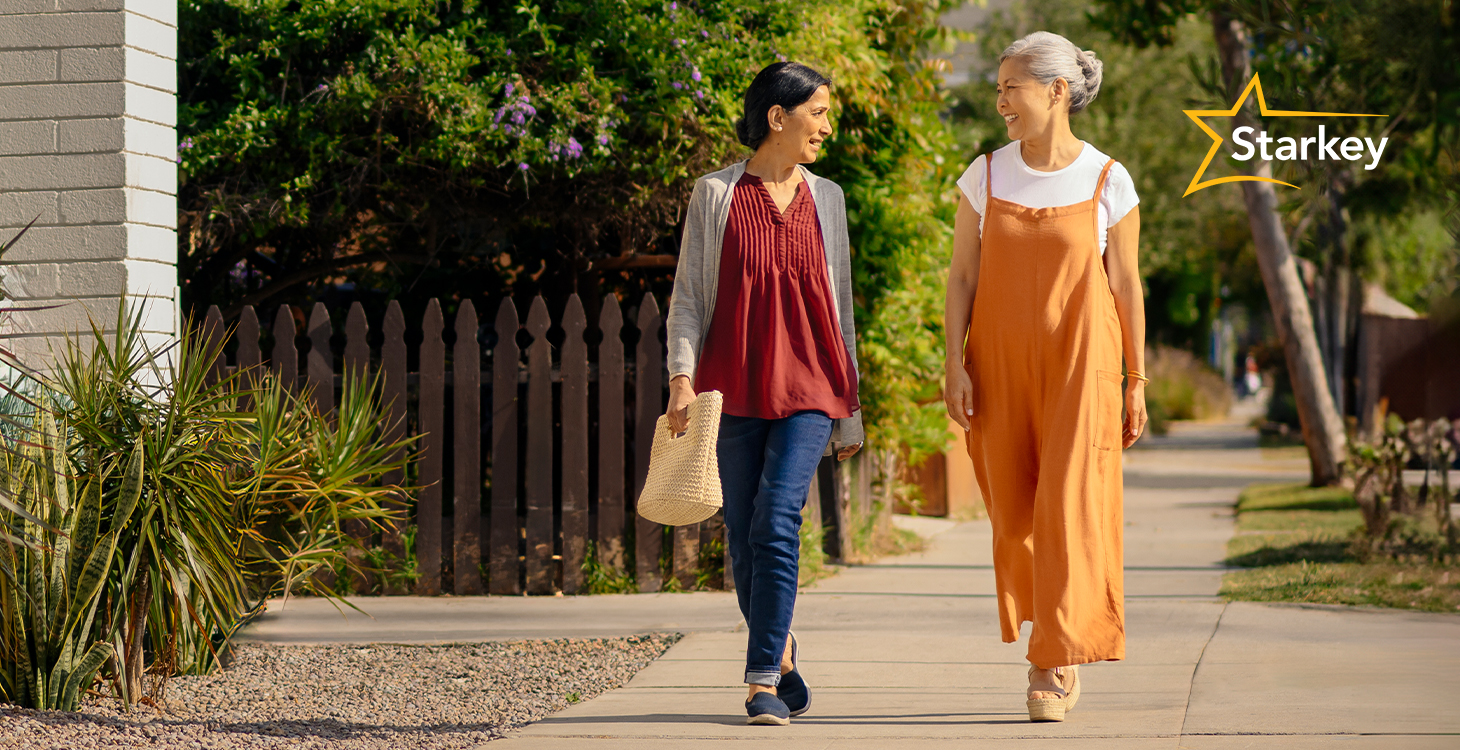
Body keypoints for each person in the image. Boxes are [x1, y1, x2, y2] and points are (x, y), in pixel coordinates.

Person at [942, 31, 1148, 723]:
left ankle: (1050, 661)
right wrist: (954, 363)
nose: (999, 101)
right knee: (1012, 517)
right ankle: (1047, 631)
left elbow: (1126, 283)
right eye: (998, 88)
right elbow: (962, 278)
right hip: (997, 366)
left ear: (1055, 92)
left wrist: (1137, 378)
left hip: (1082, 366)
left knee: (1067, 508)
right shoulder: (986, 175)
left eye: (1011, 88)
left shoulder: (1107, 179)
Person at [664, 61, 864, 726]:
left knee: (778, 520)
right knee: (745, 538)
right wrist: (681, 377)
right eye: (819, 113)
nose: (827, 127)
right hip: (733, 386)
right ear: (778, 118)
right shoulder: (715, 194)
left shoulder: (827, 198)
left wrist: (852, 408)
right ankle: (780, 654)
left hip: (812, 386)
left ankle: (757, 679)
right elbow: (689, 296)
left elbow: (841, 308)